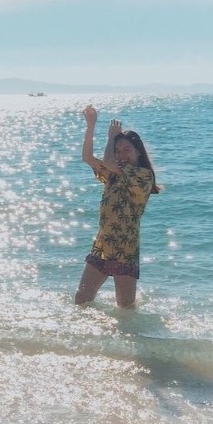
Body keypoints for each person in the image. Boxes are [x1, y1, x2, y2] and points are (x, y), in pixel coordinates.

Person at [75, 105, 160, 308]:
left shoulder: (143, 176)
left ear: (138, 152)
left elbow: (107, 160)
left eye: (126, 150)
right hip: (102, 246)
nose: (121, 155)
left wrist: (111, 137)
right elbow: (87, 158)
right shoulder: (113, 174)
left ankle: (133, 339)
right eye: (118, 151)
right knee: (81, 300)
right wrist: (90, 126)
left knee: (125, 308)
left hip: (125, 249)